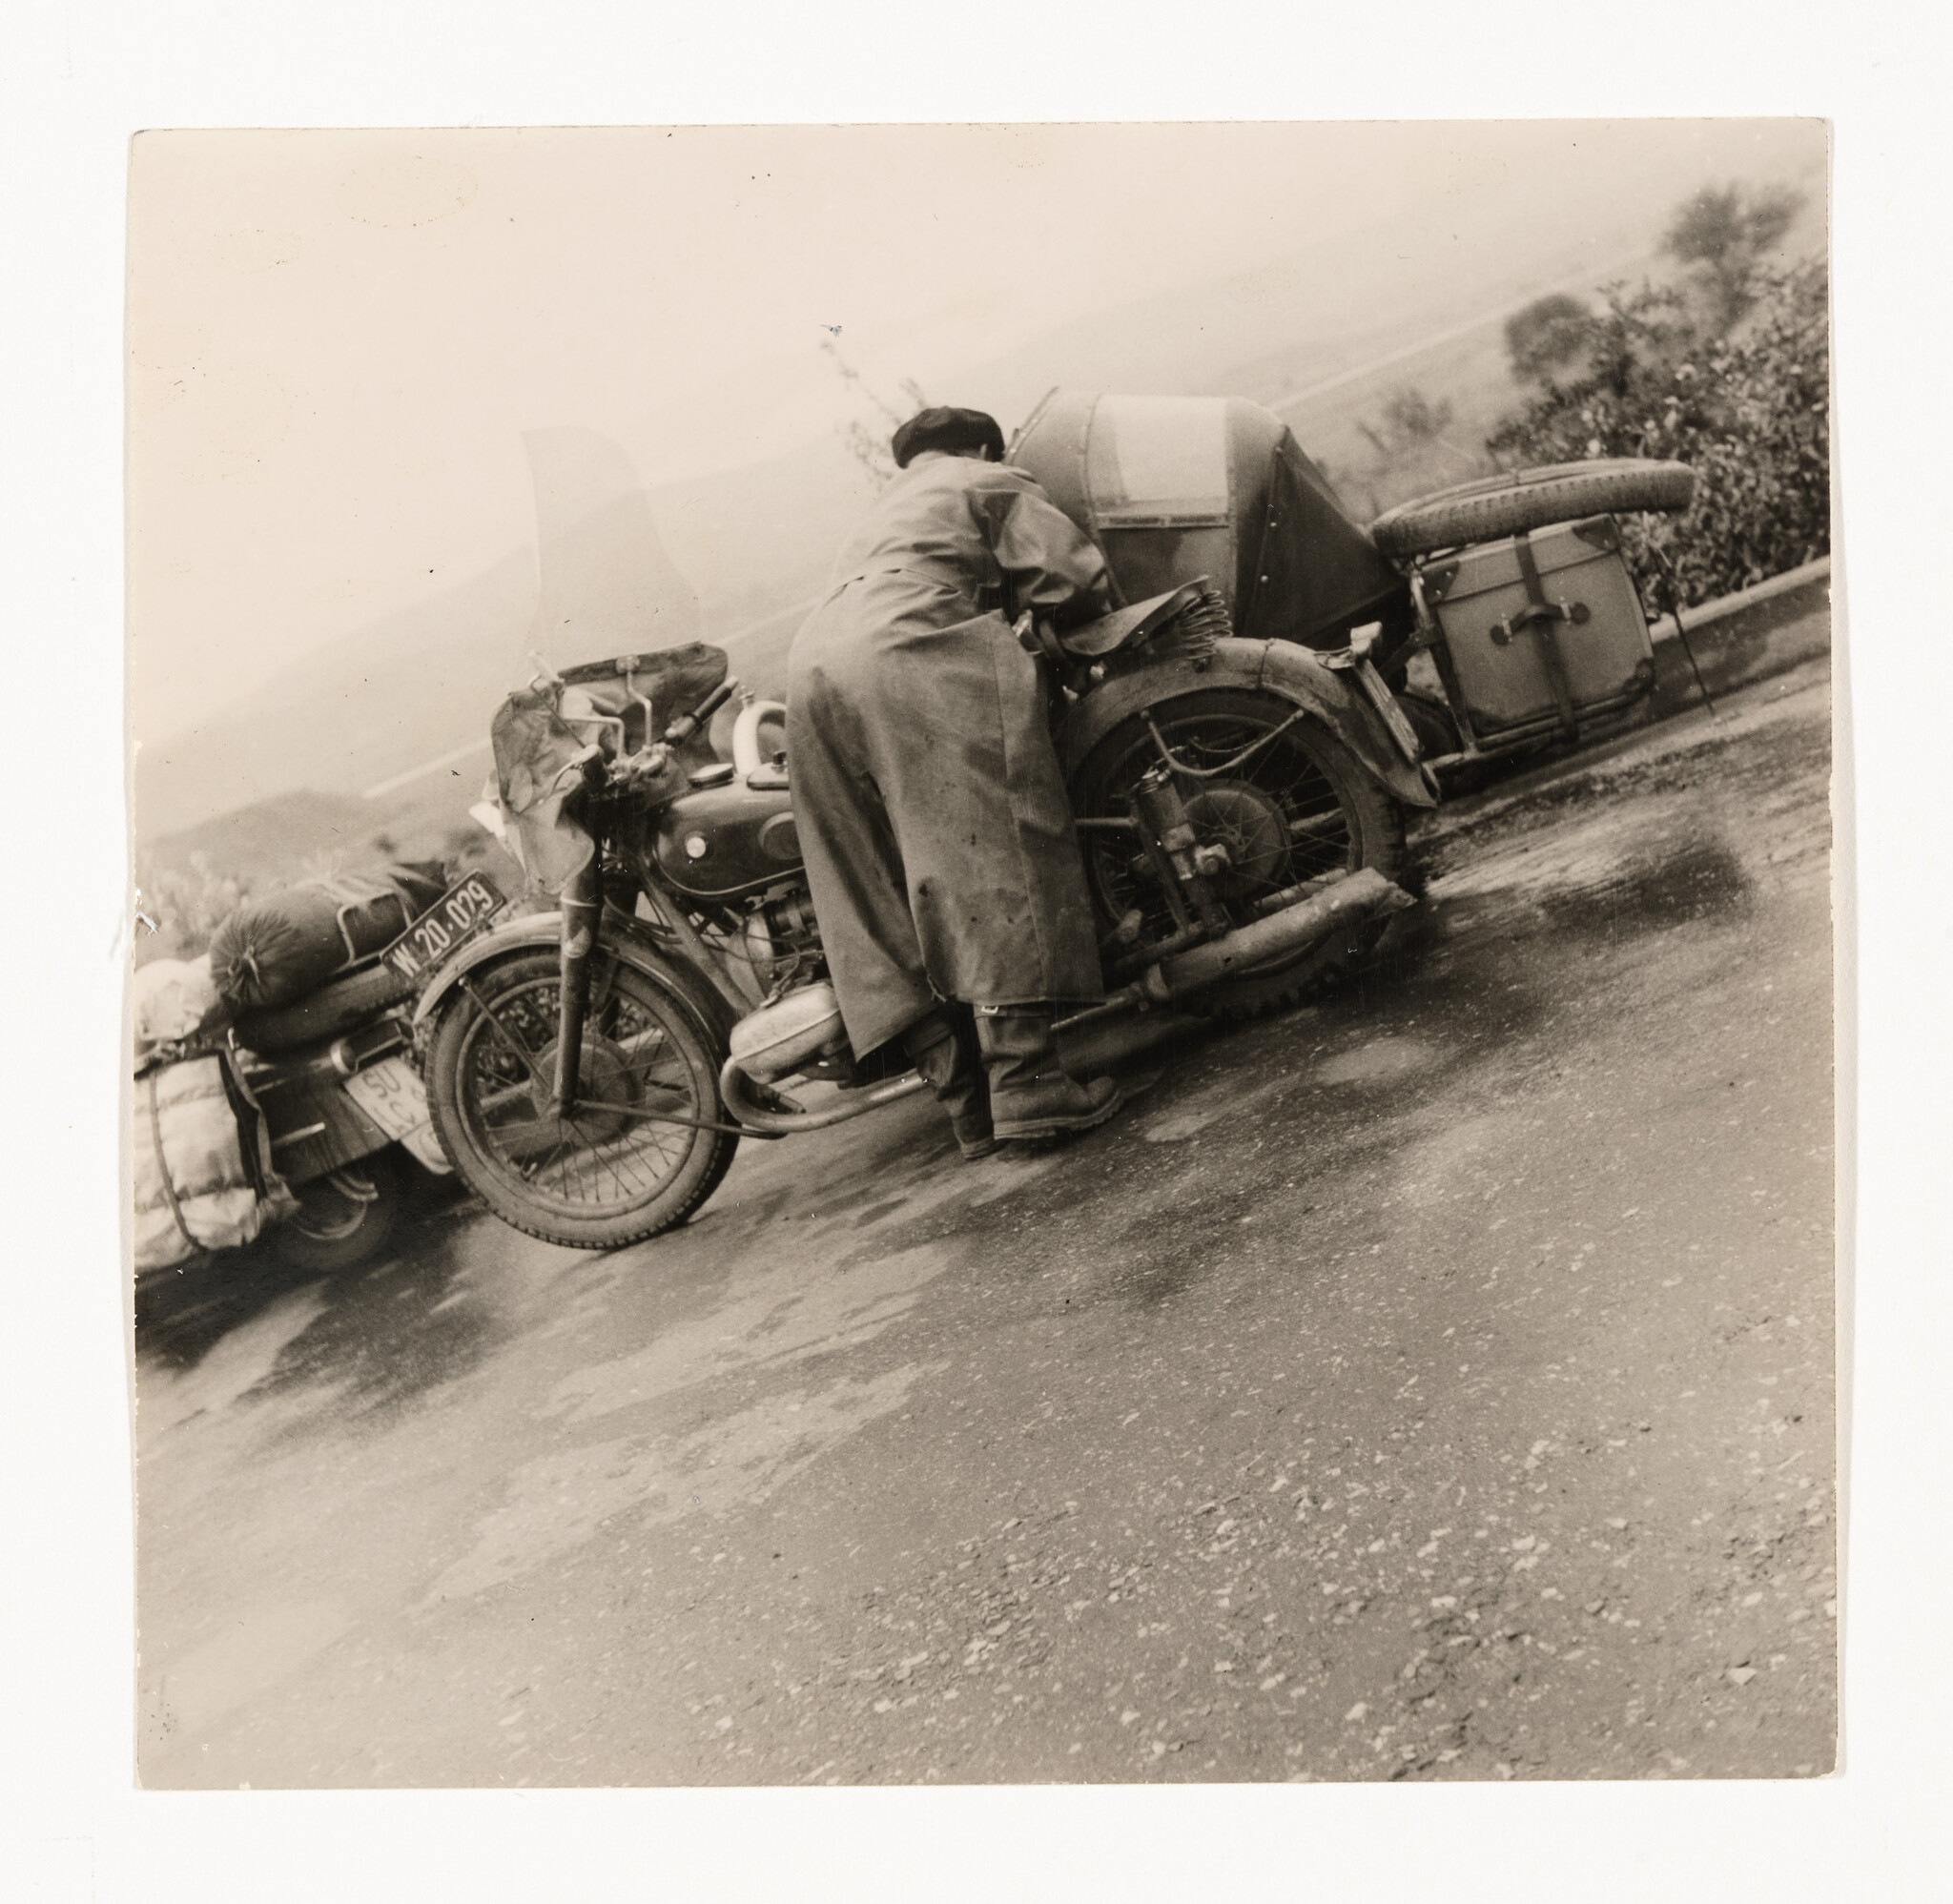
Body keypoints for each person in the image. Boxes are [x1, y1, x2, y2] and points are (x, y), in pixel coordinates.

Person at [786, 405, 1134, 1157]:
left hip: (811, 669)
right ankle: (1027, 1079)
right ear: (980, 445)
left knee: (868, 889)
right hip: (907, 646)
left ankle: (966, 1106)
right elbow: (1074, 579)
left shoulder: (882, 511)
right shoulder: (984, 476)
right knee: (992, 843)